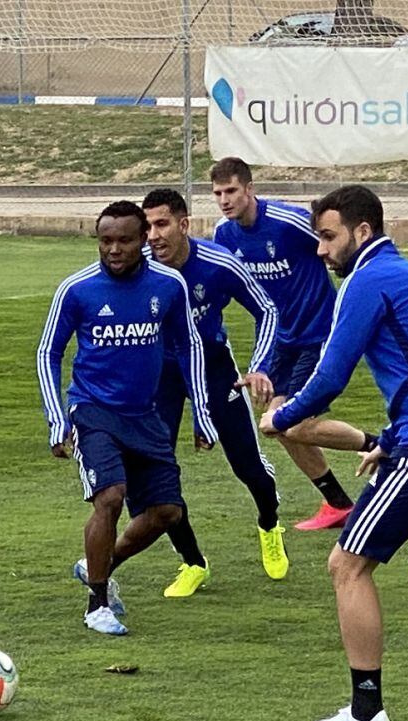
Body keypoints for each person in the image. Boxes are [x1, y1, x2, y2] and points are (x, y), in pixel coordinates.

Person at [259, 185, 408, 721]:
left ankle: (367, 712)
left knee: (347, 565)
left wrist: (281, 416)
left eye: (327, 236)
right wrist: (389, 437)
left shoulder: (367, 280)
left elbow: (331, 375)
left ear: (361, 232)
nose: (320, 250)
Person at [36, 200, 217, 635]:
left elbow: (189, 347)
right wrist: (57, 418)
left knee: (167, 512)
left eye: (124, 240)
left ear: (143, 242)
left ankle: (98, 564)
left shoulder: (169, 286)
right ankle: (97, 604)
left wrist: (202, 413)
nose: (114, 249)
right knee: (111, 497)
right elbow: (48, 352)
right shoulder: (77, 290)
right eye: (105, 240)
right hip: (93, 410)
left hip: (146, 415)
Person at [211, 157, 378, 531]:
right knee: (277, 424)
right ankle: (337, 503)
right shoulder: (224, 235)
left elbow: (335, 244)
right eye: (218, 193)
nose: (224, 200)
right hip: (279, 341)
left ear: (249, 189)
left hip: (318, 335)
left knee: (290, 424)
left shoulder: (288, 222)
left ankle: (381, 445)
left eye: (232, 191)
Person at [141, 188, 287, 592]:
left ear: (184, 224)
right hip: (161, 374)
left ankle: (270, 524)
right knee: (157, 475)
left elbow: (268, 309)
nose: (152, 235)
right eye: (147, 225)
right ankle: (192, 562)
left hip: (214, 368)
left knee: (248, 466)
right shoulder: (141, 268)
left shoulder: (219, 263)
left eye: (162, 224)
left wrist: (259, 365)